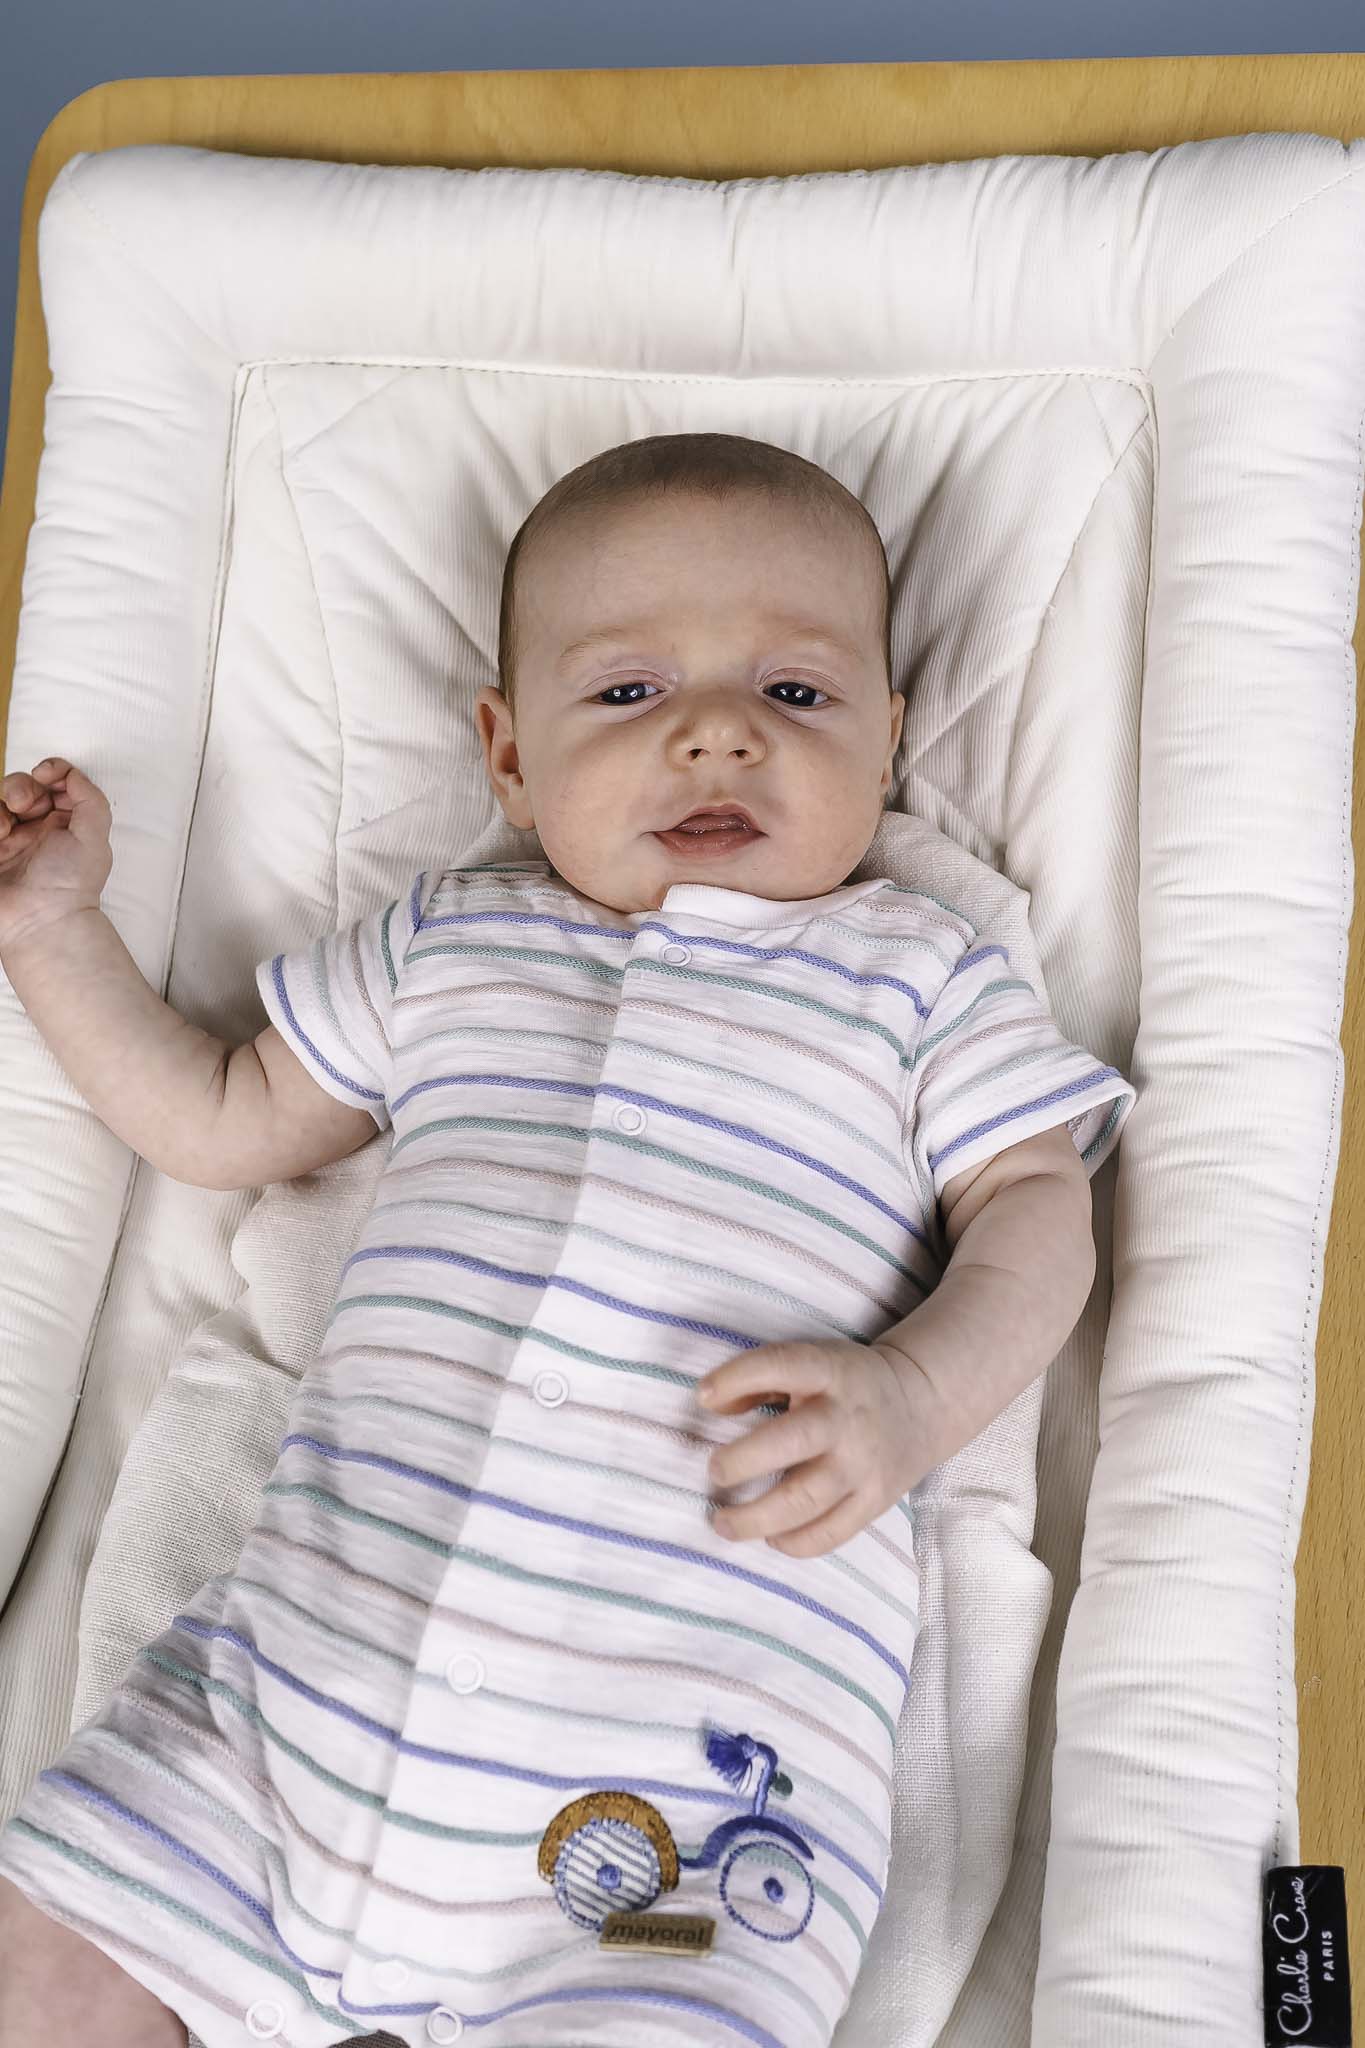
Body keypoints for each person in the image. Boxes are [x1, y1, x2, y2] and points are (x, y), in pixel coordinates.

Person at [0, 432, 1135, 2048]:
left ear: (886, 740)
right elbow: (217, 1116)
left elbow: (1035, 1211)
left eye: (795, 694)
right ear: (510, 758)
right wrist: (55, 932)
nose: (715, 735)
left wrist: (915, 1397)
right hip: (280, 1726)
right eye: (625, 692)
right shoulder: (446, 942)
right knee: (42, 1962)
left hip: (669, 1818)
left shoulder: (919, 977)